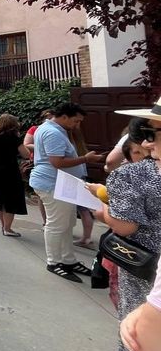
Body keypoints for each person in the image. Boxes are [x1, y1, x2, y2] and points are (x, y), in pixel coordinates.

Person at [95, 100, 161, 351]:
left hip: (143, 273)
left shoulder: (129, 175)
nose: (148, 143)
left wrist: (103, 206)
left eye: (154, 133)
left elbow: (124, 226)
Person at [29, 103, 105, 282]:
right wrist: (85, 158)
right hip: (53, 184)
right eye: (76, 121)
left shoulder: (51, 128)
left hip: (61, 184)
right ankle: (54, 262)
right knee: (57, 225)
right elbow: (57, 162)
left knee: (67, 222)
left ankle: (68, 260)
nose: (77, 125)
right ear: (64, 117)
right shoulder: (53, 132)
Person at [0, 114, 31, 237]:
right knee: (11, 198)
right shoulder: (15, 139)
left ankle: (3, 225)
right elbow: (26, 154)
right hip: (10, 170)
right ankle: (7, 228)